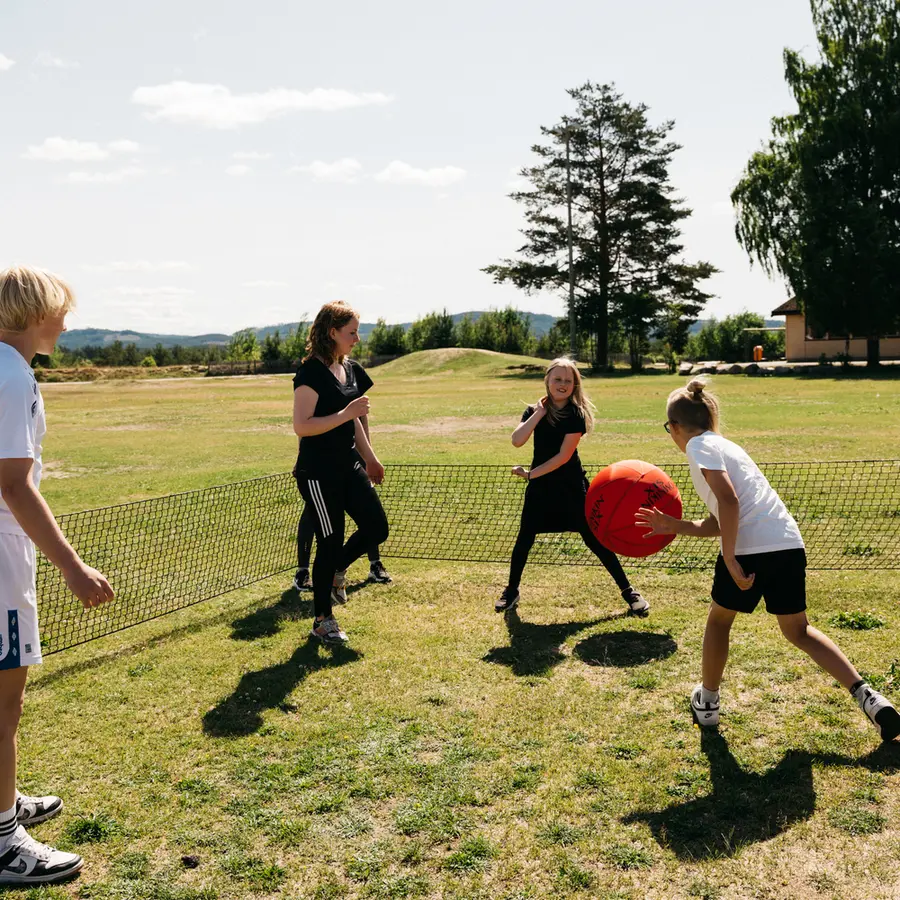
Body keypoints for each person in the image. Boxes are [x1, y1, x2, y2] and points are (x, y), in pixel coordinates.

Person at [636, 378, 900, 742]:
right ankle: (869, 698)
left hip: (749, 550)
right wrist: (673, 525)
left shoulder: (699, 446)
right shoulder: (726, 446)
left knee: (719, 622)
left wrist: (729, 558)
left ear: (676, 427)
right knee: (798, 631)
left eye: (669, 428)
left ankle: (707, 703)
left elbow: (730, 504)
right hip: (787, 543)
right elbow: (720, 519)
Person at [0, 266, 115, 885]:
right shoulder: (11, 375)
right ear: (34, 312)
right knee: (4, 703)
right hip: (1, 559)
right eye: (61, 310)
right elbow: (13, 484)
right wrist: (72, 566)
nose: (67, 322)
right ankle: (2, 841)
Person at [496, 358, 648, 616]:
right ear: (547, 380)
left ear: (575, 384)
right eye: (557, 379)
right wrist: (539, 414)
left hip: (570, 489)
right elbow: (516, 440)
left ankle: (629, 592)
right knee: (524, 540)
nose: (562, 384)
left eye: (568, 380)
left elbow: (563, 457)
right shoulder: (535, 410)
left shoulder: (575, 414)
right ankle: (511, 591)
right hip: (540, 490)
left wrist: (531, 474)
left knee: (596, 541)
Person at [292, 301, 389, 644]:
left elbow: (355, 424)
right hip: (317, 473)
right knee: (329, 541)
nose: (357, 339)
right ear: (332, 333)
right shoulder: (310, 373)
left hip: (349, 465)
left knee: (377, 526)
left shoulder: (348, 368)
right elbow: (302, 426)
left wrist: (371, 458)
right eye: (352, 333)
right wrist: (345, 413)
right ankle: (322, 620)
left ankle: (335, 571)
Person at [293, 397, 392, 594]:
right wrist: (300, 456)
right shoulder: (314, 377)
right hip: (321, 462)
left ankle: (374, 564)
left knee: (371, 519)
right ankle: (303, 572)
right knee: (314, 516)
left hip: (352, 459)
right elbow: (304, 423)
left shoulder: (351, 372)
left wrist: (368, 456)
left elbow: (360, 416)